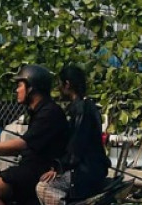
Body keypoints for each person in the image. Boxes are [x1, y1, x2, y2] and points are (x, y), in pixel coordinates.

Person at [0, 65, 69, 205]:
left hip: (40, 171)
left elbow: (23, 144)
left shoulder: (49, 113)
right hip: (30, 168)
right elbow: (23, 148)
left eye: (19, 85)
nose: (16, 90)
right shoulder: (38, 112)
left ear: (31, 87)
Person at [36, 65, 111, 205]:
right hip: (90, 169)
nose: (58, 88)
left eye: (60, 84)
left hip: (84, 172)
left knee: (44, 187)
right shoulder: (85, 106)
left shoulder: (81, 109)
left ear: (67, 84)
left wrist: (58, 167)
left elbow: (76, 146)